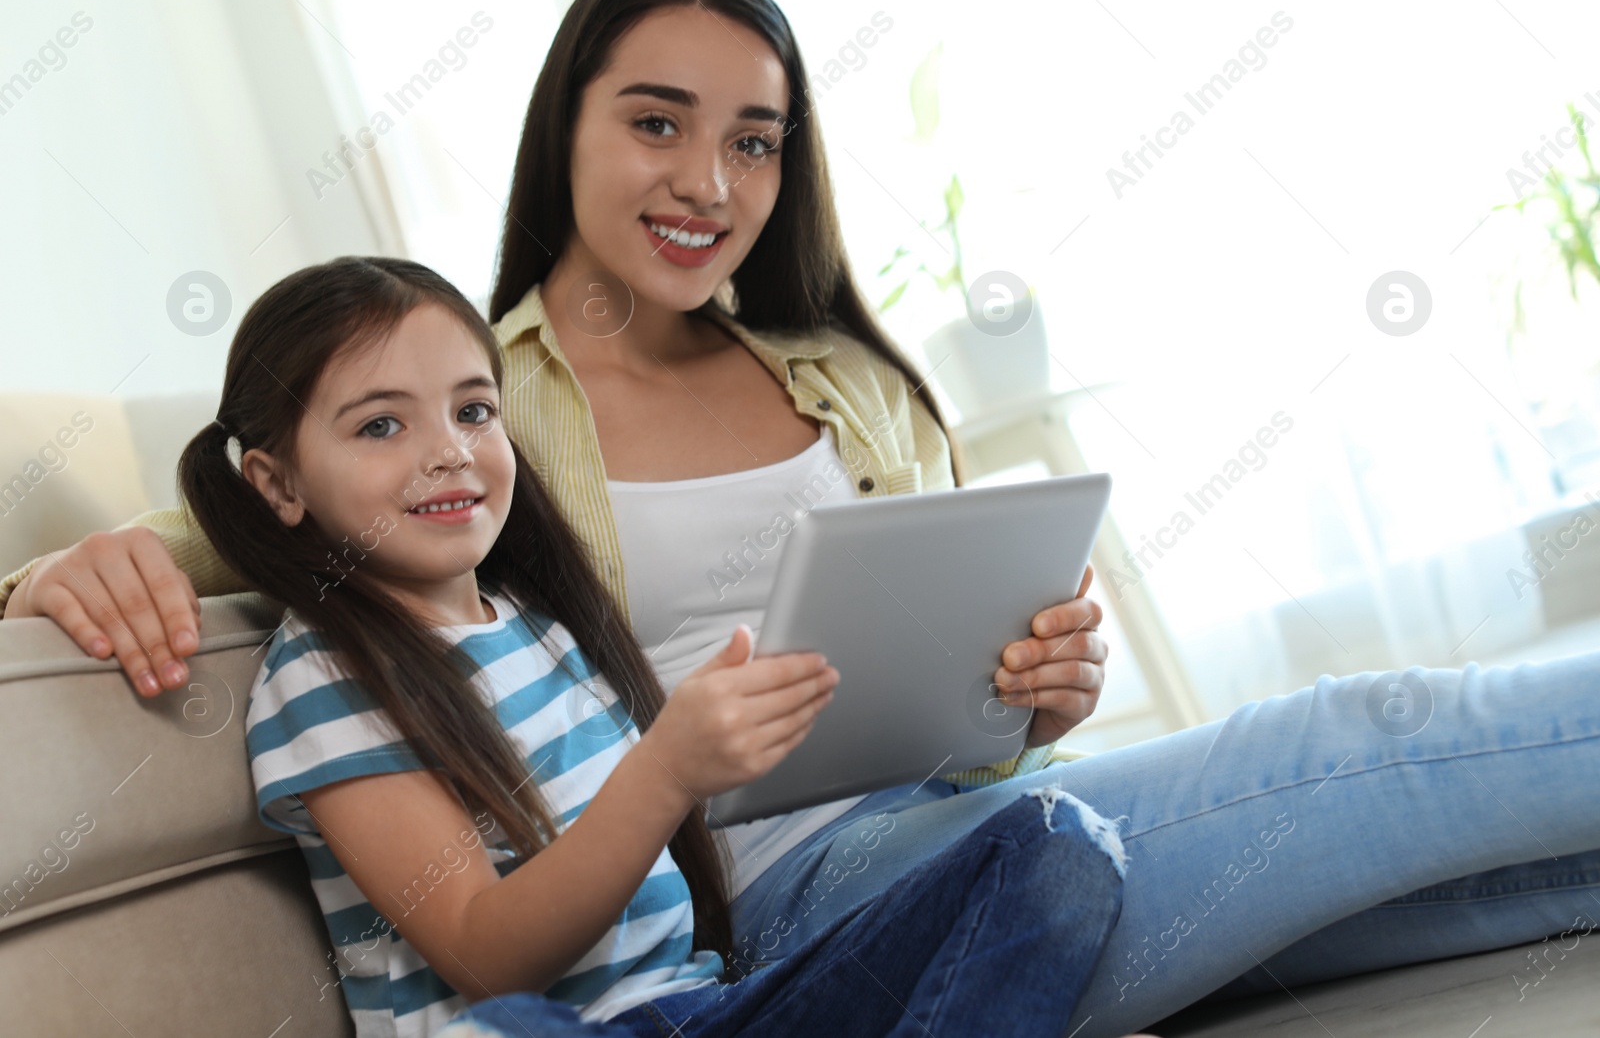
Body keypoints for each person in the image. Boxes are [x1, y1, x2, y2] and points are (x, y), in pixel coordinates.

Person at [3, 0, 1596, 1034]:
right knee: (1358, 729)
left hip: (945, 818)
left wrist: (1041, 695)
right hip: (762, 902)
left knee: (1444, 887)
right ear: (565, 127)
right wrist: (66, 560)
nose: (709, 182)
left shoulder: (847, 376)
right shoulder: (460, 402)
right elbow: (221, 518)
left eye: (752, 142)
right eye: (656, 123)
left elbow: (971, 716)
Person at [184, 254, 1130, 1037]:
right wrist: (666, 770)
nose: (450, 450)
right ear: (277, 484)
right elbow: (486, 955)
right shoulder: (320, 677)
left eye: (473, 410)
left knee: (1058, 844)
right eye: (382, 424)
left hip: (704, 1011)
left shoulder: (539, 623)